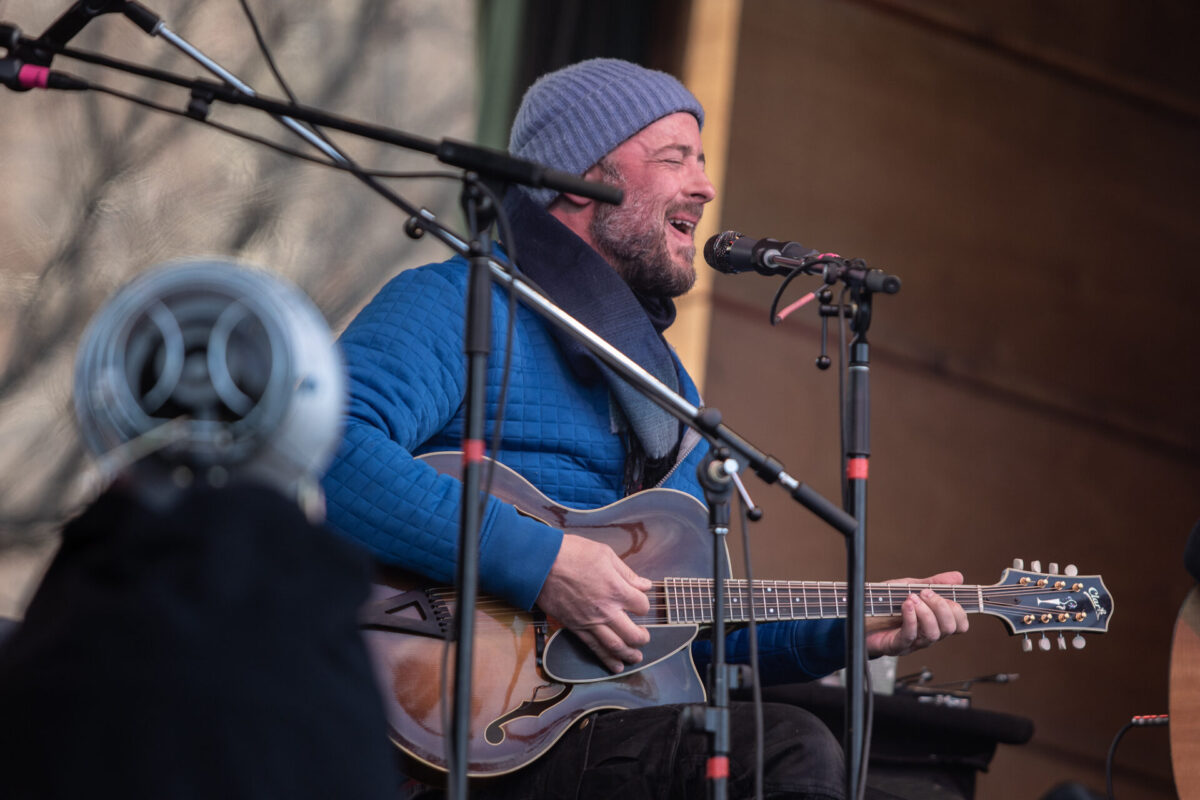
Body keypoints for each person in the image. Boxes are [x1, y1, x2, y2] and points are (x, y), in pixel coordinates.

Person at [322, 58, 968, 800]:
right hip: (441, 720)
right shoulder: (459, 302)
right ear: (576, 179)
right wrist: (546, 564)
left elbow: (695, 625)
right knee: (788, 752)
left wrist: (850, 627)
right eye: (674, 158)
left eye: (701, 158)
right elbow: (327, 451)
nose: (705, 184)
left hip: (588, 725)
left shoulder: (664, 390)